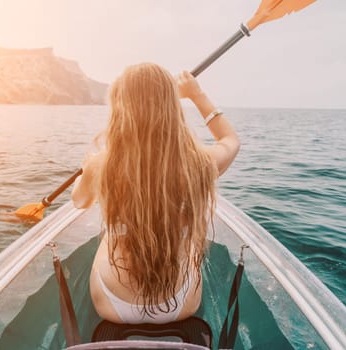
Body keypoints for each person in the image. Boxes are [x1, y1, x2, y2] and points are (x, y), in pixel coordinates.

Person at [71, 63, 240, 324]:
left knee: (109, 237)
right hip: (181, 303)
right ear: (172, 107)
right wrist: (196, 95)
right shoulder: (200, 163)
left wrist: (87, 171)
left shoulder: (101, 164)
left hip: (111, 304)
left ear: (120, 107)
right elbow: (230, 140)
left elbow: (79, 201)